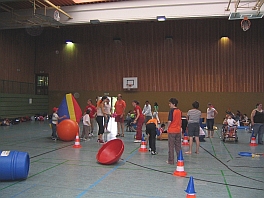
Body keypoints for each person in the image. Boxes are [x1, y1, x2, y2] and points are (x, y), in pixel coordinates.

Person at [166, 98, 182, 165]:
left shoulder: (171, 111)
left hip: (172, 130)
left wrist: (167, 127)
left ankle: (171, 160)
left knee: (171, 146)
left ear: (173, 104)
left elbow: (170, 121)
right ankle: (179, 159)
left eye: (170, 103)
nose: (169, 105)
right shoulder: (179, 111)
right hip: (178, 130)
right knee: (178, 146)